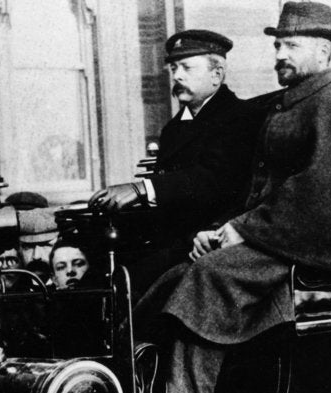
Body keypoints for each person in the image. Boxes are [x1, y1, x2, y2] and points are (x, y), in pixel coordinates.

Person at [137, 1, 331, 393]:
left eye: (291, 45)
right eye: (278, 45)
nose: (279, 54)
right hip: (283, 235)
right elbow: (263, 188)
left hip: (326, 245)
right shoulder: (295, 104)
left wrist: (241, 230)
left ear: (324, 52)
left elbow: (322, 193)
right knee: (176, 275)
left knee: (211, 276)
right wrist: (224, 228)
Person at [89, 28, 261, 289]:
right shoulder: (173, 128)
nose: (177, 75)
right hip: (170, 241)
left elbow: (212, 180)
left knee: (121, 285)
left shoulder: (241, 118)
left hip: (205, 244)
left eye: (186, 68)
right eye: (173, 69)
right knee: (94, 275)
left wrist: (141, 188)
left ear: (216, 74)